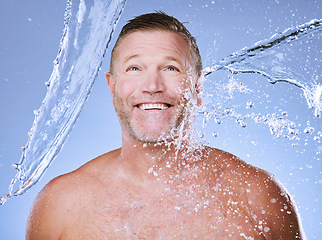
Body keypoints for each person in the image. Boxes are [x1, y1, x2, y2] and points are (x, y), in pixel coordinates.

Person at [26, 12, 305, 239]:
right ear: (112, 87)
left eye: (170, 68)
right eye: (135, 68)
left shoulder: (257, 196)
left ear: (197, 88)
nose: (152, 86)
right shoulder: (59, 205)